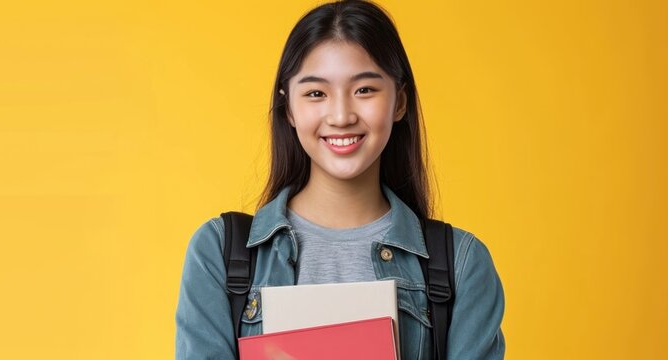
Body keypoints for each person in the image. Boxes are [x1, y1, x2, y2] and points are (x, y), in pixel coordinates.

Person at [174, 0, 505, 359]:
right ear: (289, 108)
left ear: (399, 102)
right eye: (316, 93)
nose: (341, 115)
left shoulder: (461, 263)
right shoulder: (220, 254)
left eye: (364, 90)